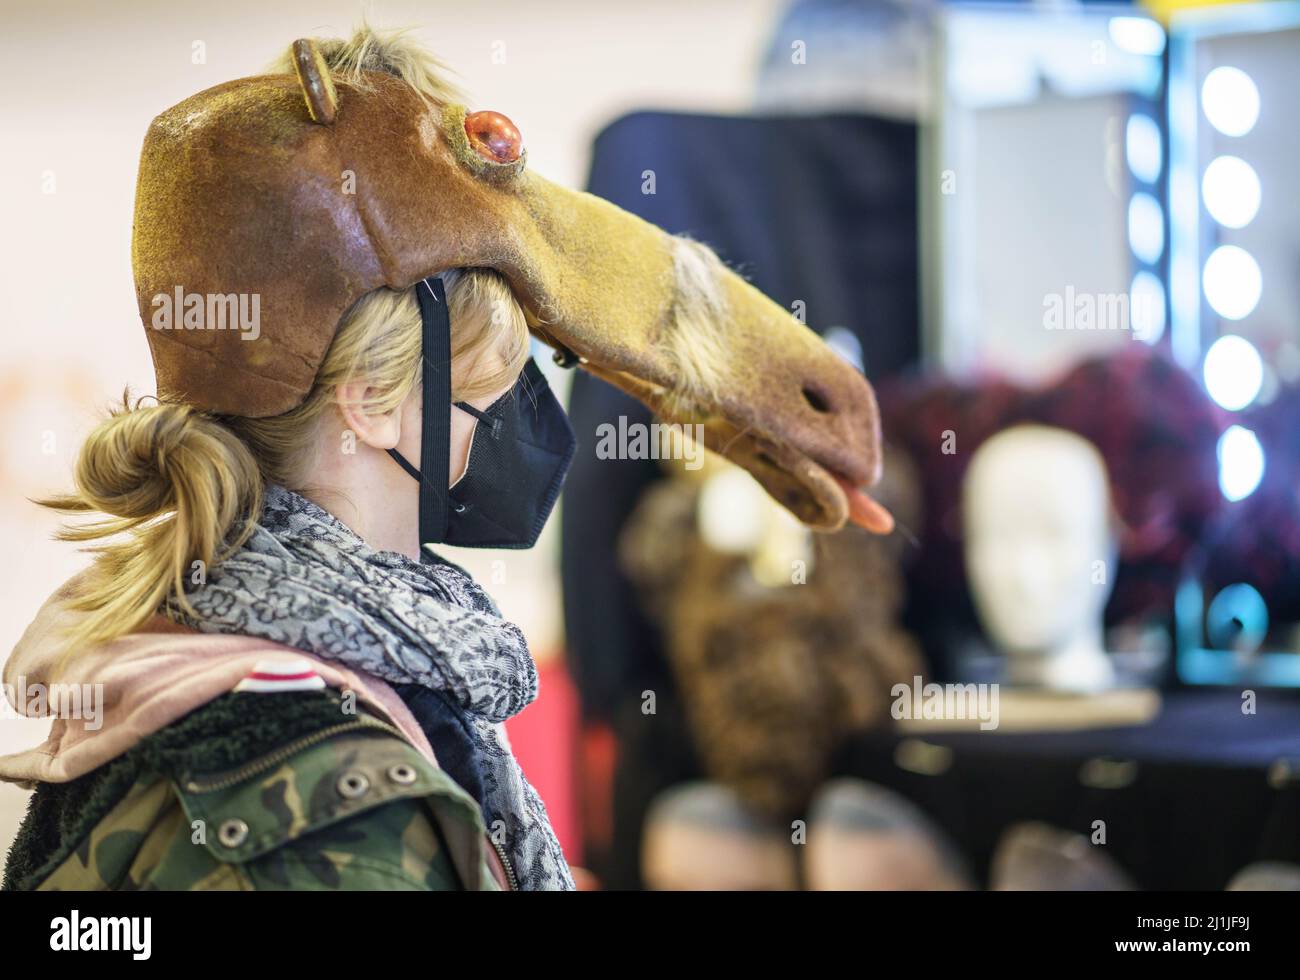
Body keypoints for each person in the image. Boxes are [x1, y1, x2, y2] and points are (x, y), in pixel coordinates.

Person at [1, 23, 892, 892]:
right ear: (376, 404)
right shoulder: (334, 811)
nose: (514, 420)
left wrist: (758, 396)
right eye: (495, 380)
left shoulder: (183, 651)